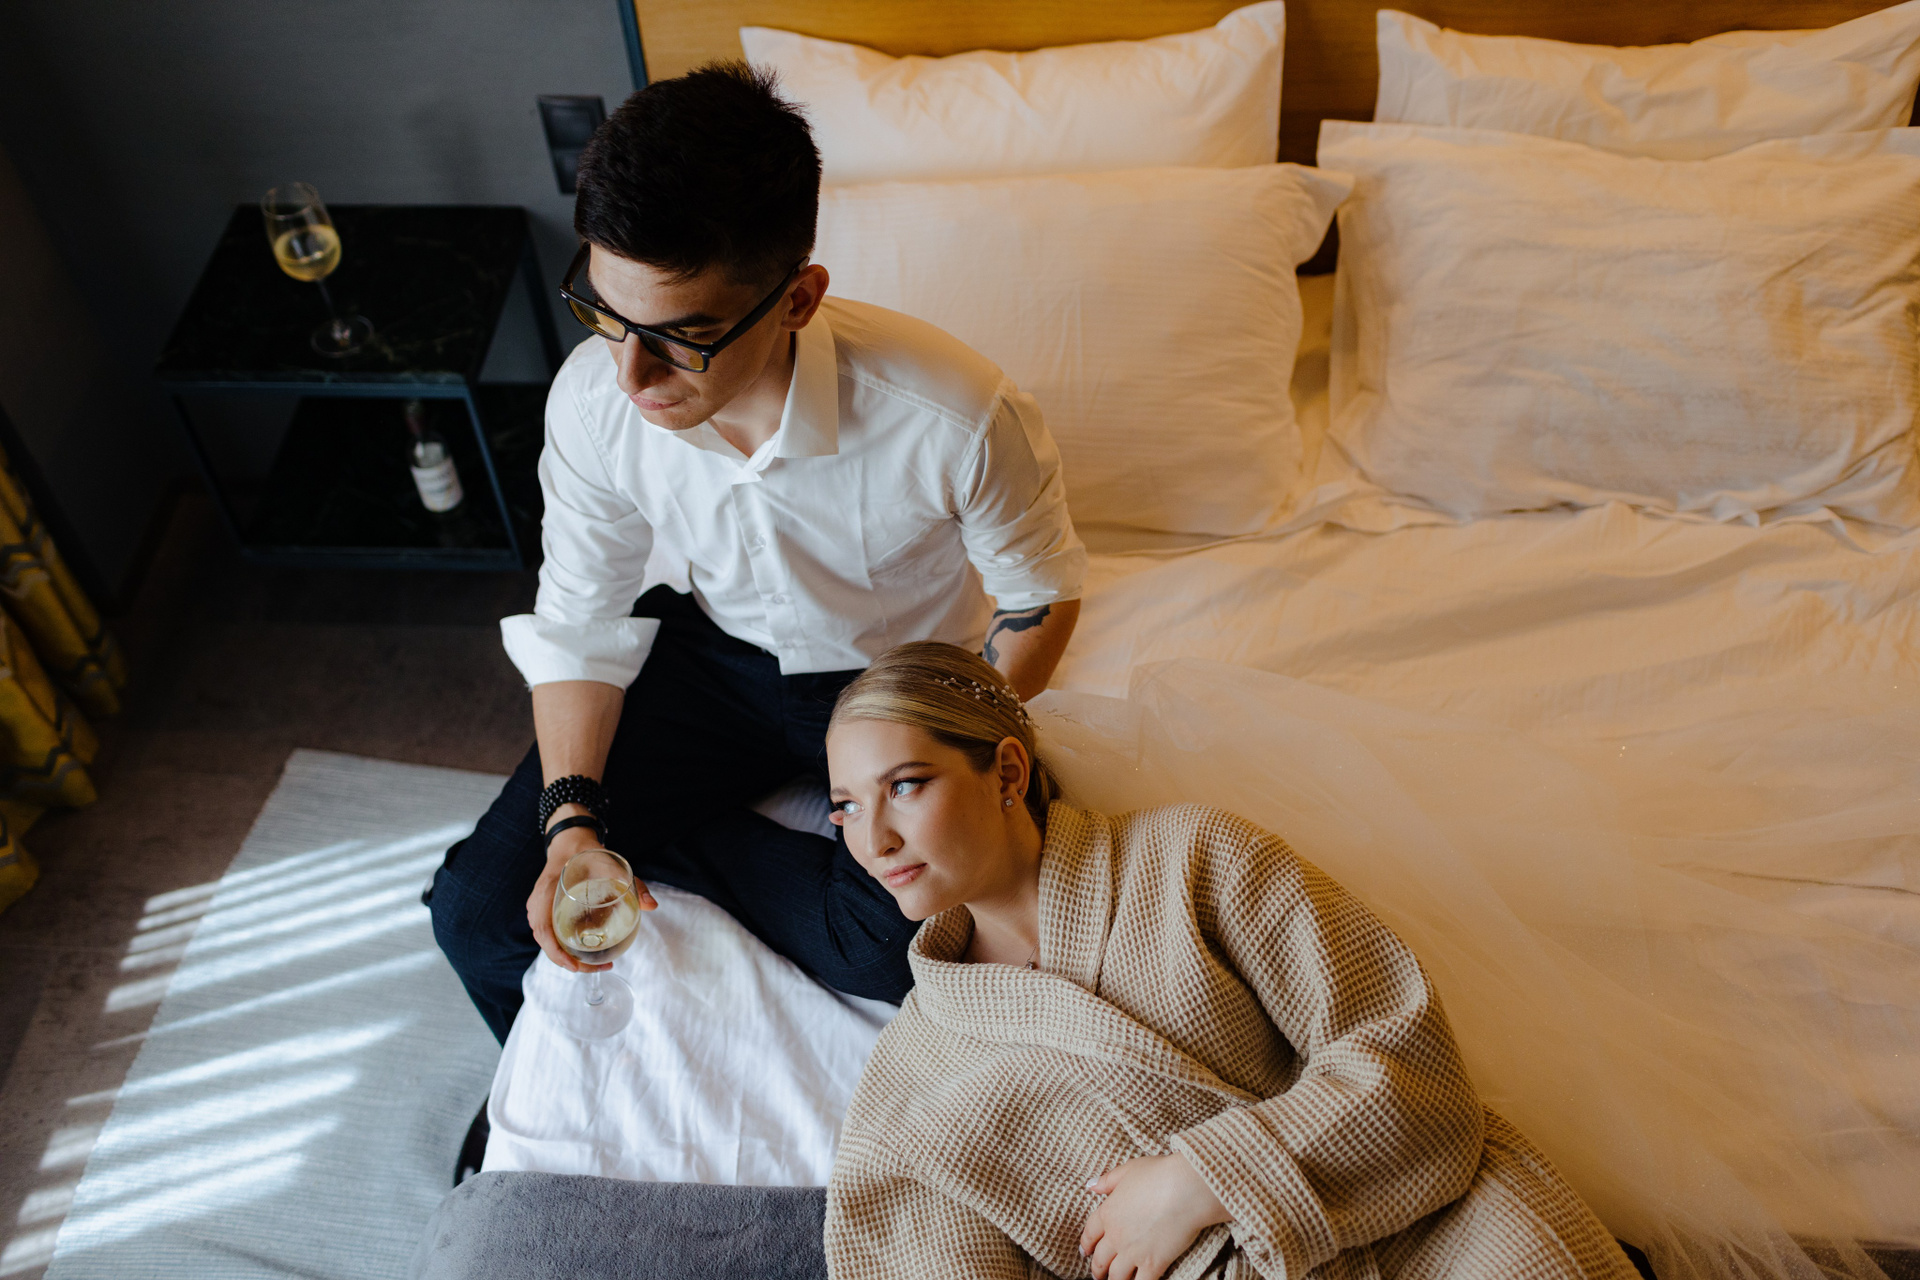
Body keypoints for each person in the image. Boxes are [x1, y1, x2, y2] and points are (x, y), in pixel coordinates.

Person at [426, 63, 1086, 1045]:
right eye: (606, 315)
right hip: (710, 662)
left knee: (898, 950)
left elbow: (1039, 596)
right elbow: (581, 619)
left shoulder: (956, 416)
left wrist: (941, 741)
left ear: (798, 299)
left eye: (681, 337)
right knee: (474, 913)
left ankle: (671, 836)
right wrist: (573, 825)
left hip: (897, 680)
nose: (631, 373)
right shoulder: (594, 401)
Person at [820, 642, 1639, 1280]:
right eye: (847, 808)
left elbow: (1413, 1067)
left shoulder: (1196, 860)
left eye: (905, 786)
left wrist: (1200, 1181)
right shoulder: (910, 1082)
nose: (875, 839)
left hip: (1441, 1234)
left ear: (1007, 770)